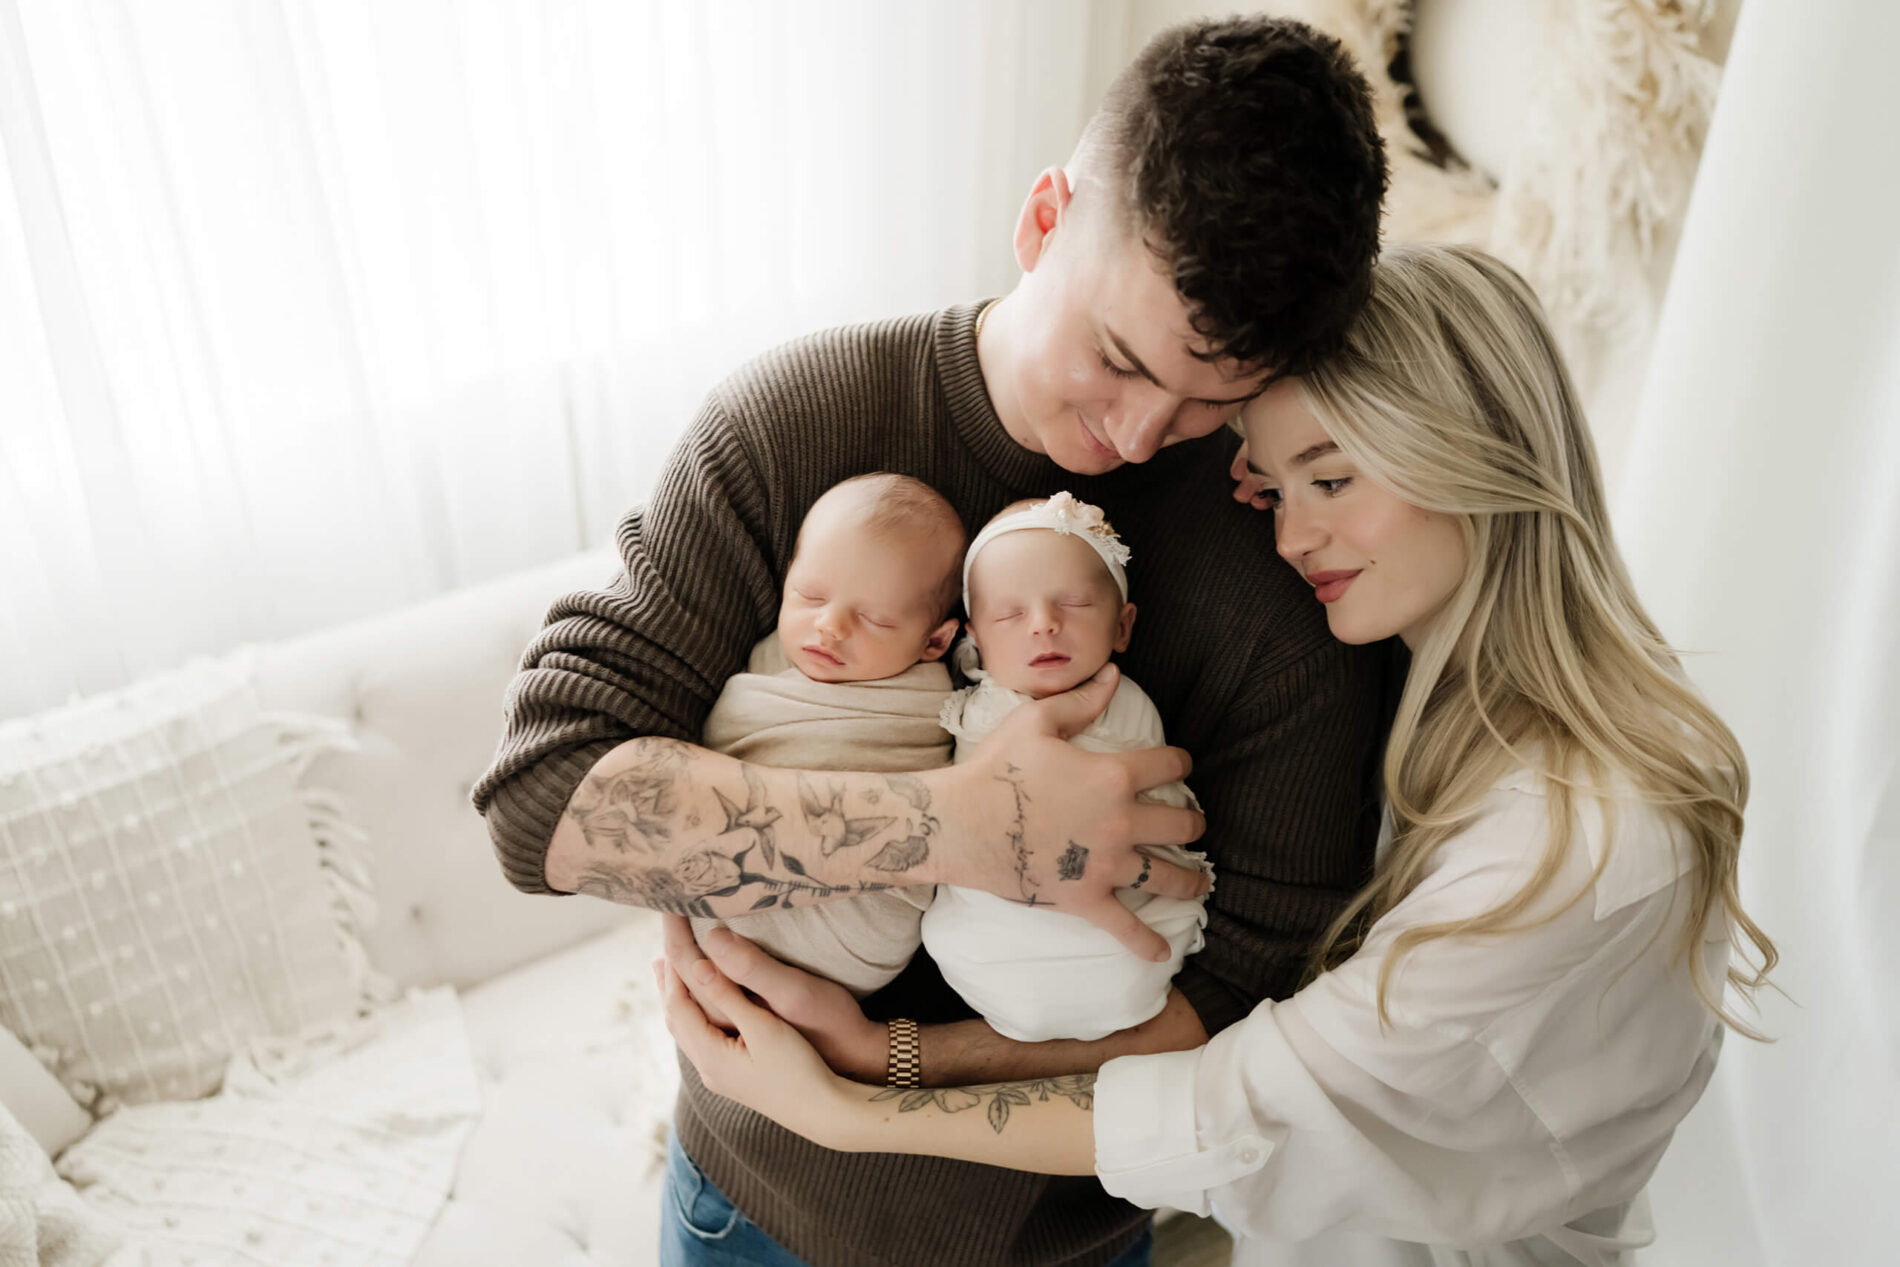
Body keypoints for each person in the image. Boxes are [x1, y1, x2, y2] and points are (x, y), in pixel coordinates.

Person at [473, 14, 1389, 1267]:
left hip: (1061, 1245)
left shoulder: (1284, 583)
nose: (1134, 434)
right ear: (1043, 219)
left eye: (1206, 403)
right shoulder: (796, 425)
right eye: (1115, 359)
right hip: (754, 1214)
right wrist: (966, 825)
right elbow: (540, 800)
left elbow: (1241, 1013)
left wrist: (890, 1064)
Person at [658, 244, 1779, 1266]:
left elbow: (1242, 1107)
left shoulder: (1585, 844)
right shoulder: (1425, 699)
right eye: (1272, 485)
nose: (1288, 535)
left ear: (1476, 452)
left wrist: (864, 1088)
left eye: (1330, 481)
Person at [925, 491, 1210, 1043]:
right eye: (1010, 614)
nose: (1044, 625)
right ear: (975, 641)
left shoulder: (1128, 703)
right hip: (991, 944)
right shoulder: (965, 709)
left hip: (1127, 930)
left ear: (1123, 627)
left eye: (1074, 604)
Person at [684, 473, 963, 998]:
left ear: (935, 641)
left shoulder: (927, 706)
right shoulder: (771, 656)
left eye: (875, 618)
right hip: (721, 913)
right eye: (810, 594)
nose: (829, 625)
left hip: (850, 935)